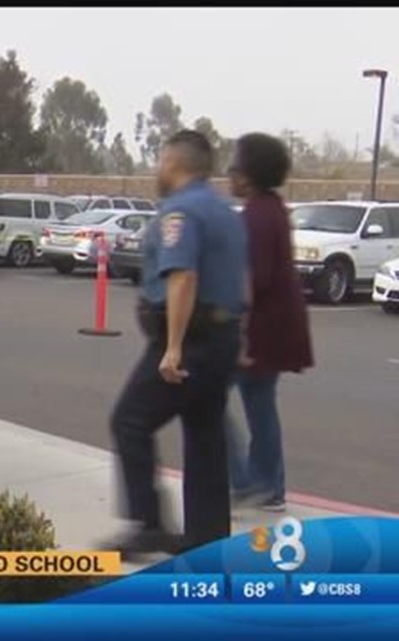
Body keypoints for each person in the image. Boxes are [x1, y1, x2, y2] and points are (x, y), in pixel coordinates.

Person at [105, 130, 248, 558]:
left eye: (161, 160)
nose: (158, 168)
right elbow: (242, 277)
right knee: (205, 435)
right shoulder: (225, 211)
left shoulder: (181, 211)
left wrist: (173, 347)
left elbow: (183, 276)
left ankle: (148, 524)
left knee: (130, 420)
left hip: (189, 341)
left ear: (174, 163)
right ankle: (207, 539)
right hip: (222, 338)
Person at [224, 133, 314, 513]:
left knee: (208, 398)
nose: (228, 172)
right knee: (260, 405)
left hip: (260, 331)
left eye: (234, 165)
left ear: (249, 174)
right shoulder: (272, 208)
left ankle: (251, 483)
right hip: (274, 327)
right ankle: (267, 486)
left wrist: (240, 337)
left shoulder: (257, 217)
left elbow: (252, 282)